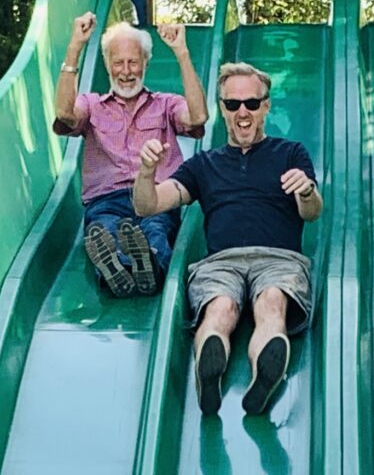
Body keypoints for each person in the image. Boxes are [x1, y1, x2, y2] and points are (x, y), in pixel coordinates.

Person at [133, 62, 322, 416]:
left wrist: (307, 190)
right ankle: (210, 368)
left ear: (266, 105)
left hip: (279, 258)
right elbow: (149, 205)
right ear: (222, 109)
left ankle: (264, 375)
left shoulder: (291, 153)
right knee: (221, 307)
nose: (243, 112)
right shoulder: (203, 164)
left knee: (271, 302)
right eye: (233, 105)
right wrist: (145, 173)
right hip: (221, 262)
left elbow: (311, 212)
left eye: (252, 103)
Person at [54, 13, 208, 297]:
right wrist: (75, 47)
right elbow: (64, 113)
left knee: (157, 229)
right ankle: (118, 268)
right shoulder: (92, 106)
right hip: (107, 200)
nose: (126, 71)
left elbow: (198, 116)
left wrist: (182, 54)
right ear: (107, 65)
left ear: (145, 63)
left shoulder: (165, 104)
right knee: (105, 231)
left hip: (156, 197)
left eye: (133, 62)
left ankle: (148, 264)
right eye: (118, 62)